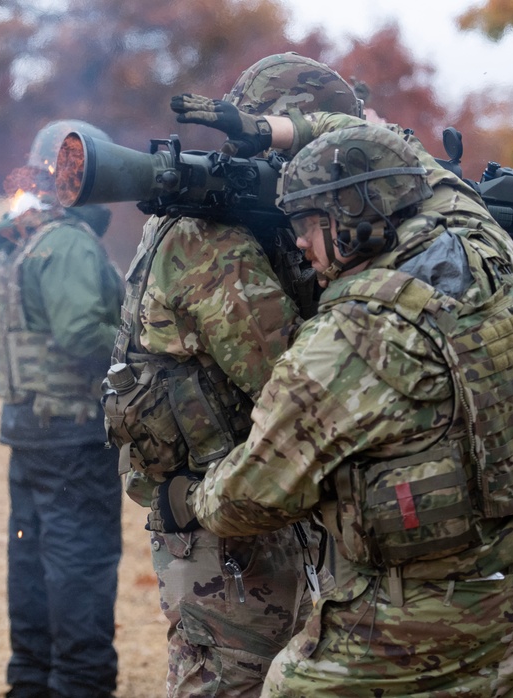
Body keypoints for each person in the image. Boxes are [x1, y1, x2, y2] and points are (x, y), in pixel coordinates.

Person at [153, 112, 513, 695]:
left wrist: (190, 498)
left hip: (415, 620)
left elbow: (249, 496)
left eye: (308, 222)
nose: (299, 242)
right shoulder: (482, 238)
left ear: (352, 219)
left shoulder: (348, 340)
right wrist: (278, 128)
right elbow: (405, 145)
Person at [102, 53, 363, 698]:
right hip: (227, 528)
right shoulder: (210, 241)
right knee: (227, 682)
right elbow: (297, 387)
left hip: (233, 508)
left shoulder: (225, 227)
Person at [0, 119, 124, 698]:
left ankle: (31, 682)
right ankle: (78, 686)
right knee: (80, 566)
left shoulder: (24, 234)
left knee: (35, 561)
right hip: (71, 434)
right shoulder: (65, 240)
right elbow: (80, 336)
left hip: (30, 431)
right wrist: (144, 341)